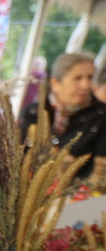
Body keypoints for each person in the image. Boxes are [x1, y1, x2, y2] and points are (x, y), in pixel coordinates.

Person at [20, 51, 106, 186]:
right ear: (55, 83)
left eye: (90, 77)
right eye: (78, 78)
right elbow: (20, 156)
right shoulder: (34, 112)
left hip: (78, 194)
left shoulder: (101, 114)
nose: (85, 85)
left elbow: (100, 169)